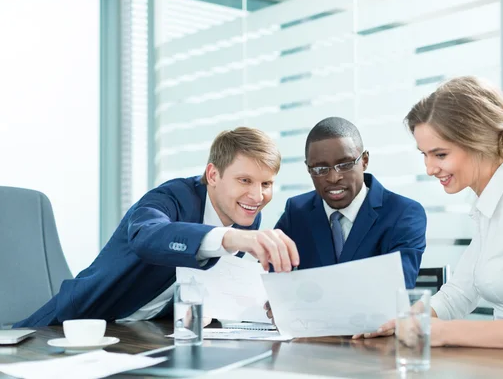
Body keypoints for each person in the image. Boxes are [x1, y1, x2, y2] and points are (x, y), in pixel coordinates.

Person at [353, 76, 503, 348]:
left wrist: (446, 332)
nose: (430, 168)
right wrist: (402, 320)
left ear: (477, 141)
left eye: (440, 154)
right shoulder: (488, 205)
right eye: (424, 154)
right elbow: (459, 292)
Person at [15, 127, 299, 328]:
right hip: (78, 322)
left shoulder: (246, 215)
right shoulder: (172, 197)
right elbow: (145, 236)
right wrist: (231, 238)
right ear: (213, 175)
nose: (257, 196)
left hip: (147, 333)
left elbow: (210, 281)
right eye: (245, 180)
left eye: (266, 184)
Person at [274, 117, 426, 287]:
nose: (333, 178)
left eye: (345, 164)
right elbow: (270, 275)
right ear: (308, 168)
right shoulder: (297, 212)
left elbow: (398, 288)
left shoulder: (403, 213)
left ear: (365, 161)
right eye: (319, 169)